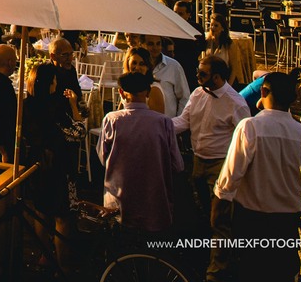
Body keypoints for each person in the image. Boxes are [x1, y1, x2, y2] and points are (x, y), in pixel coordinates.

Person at [212, 71, 301, 281]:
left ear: (263, 92)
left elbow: (229, 177)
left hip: (254, 220)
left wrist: (217, 208)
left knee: (251, 272)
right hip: (290, 221)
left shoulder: (250, 127)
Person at [173, 56, 251, 247]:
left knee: (220, 214)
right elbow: (183, 122)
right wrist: (156, 125)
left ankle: (222, 257)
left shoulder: (236, 103)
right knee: (204, 208)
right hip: (198, 160)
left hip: (220, 164)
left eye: (202, 73)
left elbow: (246, 140)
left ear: (216, 77)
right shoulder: (198, 93)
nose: (197, 76)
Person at [98, 71, 184, 234]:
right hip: (155, 205)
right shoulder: (163, 122)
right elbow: (177, 165)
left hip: (118, 204)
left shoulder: (112, 120)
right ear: (148, 92)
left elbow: (103, 157)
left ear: (121, 93)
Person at [23, 61, 86, 269]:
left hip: (37, 166)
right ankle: (62, 265)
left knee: (41, 213)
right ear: (50, 83)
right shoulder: (55, 106)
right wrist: (74, 104)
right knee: (63, 218)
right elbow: (78, 132)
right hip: (58, 167)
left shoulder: (26, 104)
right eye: (55, 81)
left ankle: (45, 256)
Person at [144, 34, 190, 117]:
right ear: (142, 44)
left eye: (158, 44)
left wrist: (177, 123)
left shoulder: (174, 66)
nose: (155, 48)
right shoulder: (138, 67)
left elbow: (184, 97)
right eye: (150, 44)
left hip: (168, 124)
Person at [124, 46, 167, 114]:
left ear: (148, 67)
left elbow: (157, 120)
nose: (137, 67)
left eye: (142, 64)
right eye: (134, 63)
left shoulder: (154, 89)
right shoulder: (126, 85)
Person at [171, 1, 203, 89]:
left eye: (180, 14)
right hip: (172, 69)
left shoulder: (196, 29)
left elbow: (199, 48)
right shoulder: (169, 28)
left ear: (188, 15)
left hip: (189, 70)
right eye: (175, 13)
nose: (177, 16)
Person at [48, 37, 84, 102]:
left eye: (71, 54)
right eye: (65, 55)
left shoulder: (71, 70)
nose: (70, 58)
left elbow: (78, 94)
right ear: (53, 56)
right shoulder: (46, 72)